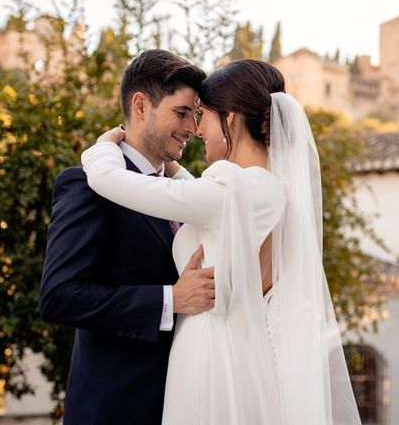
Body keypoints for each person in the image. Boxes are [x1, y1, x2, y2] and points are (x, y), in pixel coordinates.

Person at [81, 59, 361, 424]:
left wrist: (104, 145)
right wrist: (175, 171)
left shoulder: (233, 187)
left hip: (209, 357)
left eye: (204, 115)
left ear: (229, 119)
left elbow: (108, 179)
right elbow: (199, 198)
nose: (197, 130)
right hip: (233, 350)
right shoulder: (265, 188)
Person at [39, 49, 215, 424]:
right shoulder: (87, 186)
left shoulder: (181, 191)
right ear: (140, 105)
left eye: (196, 115)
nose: (193, 128)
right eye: (182, 112)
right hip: (114, 409)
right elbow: (58, 296)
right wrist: (171, 299)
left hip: (181, 405)